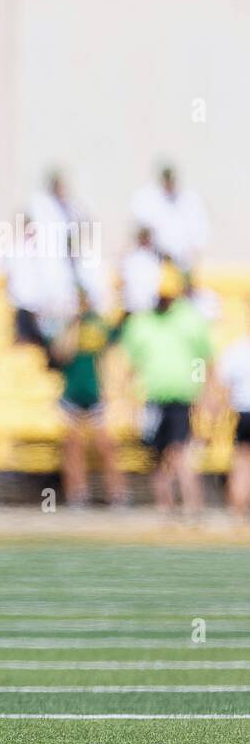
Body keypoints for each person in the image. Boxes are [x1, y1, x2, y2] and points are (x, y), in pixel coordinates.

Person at [118, 264, 214, 518]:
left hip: (180, 398)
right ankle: (165, 509)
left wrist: (203, 391)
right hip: (152, 398)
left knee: (180, 451)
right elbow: (132, 364)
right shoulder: (142, 322)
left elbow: (203, 360)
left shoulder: (190, 319)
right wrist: (128, 397)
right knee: (157, 456)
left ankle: (193, 508)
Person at [48, 292, 127, 508]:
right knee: (72, 446)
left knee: (106, 446)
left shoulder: (99, 325)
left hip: (95, 393)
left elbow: (113, 349)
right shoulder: (63, 327)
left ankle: (117, 494)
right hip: (70, 394)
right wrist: (72, 326)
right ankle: (77, 494)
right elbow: (60, 354)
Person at [130, 164, 208, 271]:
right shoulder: (146, 198)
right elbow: (142, 231)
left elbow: (199, 233)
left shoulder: (189, 200)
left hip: (183, 259)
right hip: (154, 258)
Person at [213, 309, 250, 520]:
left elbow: (223, 384)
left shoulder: (236, 349)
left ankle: (238, 511)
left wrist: (222, 410)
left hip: (243, 410)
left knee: (242, 462)